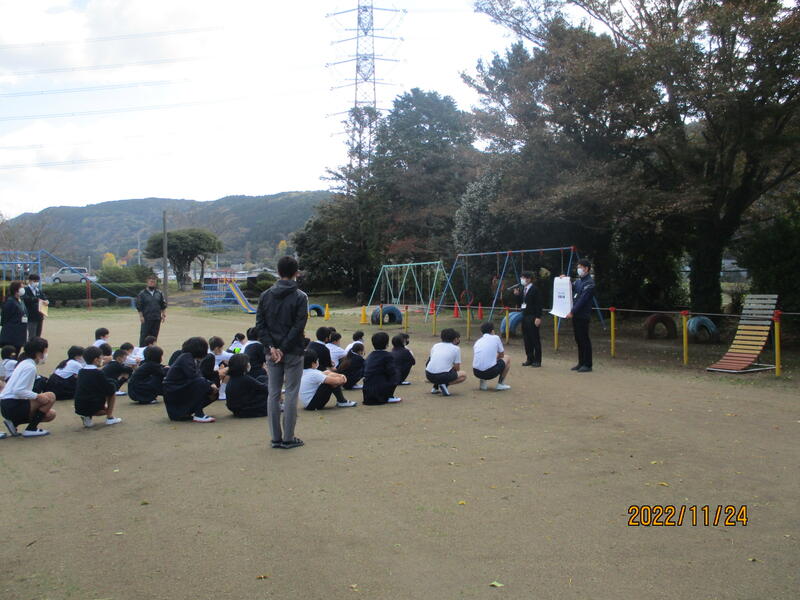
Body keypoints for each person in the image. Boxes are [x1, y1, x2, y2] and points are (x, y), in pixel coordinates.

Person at [255, 256, 308, 449]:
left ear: (278, 272)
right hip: (293, 351)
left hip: (271, 352)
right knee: (291, 393)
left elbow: (260, 325)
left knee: (273, 393)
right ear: (296, 273)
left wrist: (272, 347)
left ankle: (275, 437)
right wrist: (283, 348)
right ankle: (288, 437)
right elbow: (298, 326)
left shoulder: (265, 296)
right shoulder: (301, 297)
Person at [0, 337, 56, 437]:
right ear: (38, 353)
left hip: (7, 404)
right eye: (45, 351)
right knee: (51, 396)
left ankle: (14, 423)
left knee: (50, 414)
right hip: (12, 405)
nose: (46, 354)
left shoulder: (24, 363)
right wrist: (37, 396)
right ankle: (31, 429)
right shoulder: (29, 367)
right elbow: (18, 390)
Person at [162, 336, 218, 422]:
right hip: (174, 391)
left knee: (212, 391)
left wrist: (211, 384)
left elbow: (198, 375)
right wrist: (210, 385)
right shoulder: (185, 357)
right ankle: (198, 414)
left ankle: (187, 412)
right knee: (202, 384)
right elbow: (194, 376)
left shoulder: (190, 358)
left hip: (178, 390)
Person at [74, 346, 122, 428]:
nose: (102, 360)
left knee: (89, 394)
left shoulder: (81, 371)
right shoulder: (98, 373)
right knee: (112, 393)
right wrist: (114, 382)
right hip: (93, 407)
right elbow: (109, 389)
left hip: (79, 406)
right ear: (96, 360)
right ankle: (110, 417)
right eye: (101, 358)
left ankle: (87, 418)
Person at [307, 326, 353, 407]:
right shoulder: (324, 349)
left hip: (308, 370)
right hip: (319, 371)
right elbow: (330, 366)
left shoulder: (311, 344)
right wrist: (339, 372)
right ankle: (341, 400)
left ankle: (341, 400)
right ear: (326, 338)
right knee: (333, 378)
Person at [564, 259, 596, 373]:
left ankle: (588, 364)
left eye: (580, 267)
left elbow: (582, 300)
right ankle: (581, 362)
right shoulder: (578, 282)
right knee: (578, 338)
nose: (578, 269)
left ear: (586, 268)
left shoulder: (589, 283)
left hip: (583, 315)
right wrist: (564, 280)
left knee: (584, 339)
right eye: (578, 267)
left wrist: (572, 311)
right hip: (576, 315)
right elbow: (570, 287)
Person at [224, 353, 269, 418]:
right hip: (245, 409)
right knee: (269, 390)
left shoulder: (233, 377)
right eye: (248, 362)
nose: (249, 364)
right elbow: (266, 389)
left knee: (262, 378)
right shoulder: (244, 378)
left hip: (236, 408)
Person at [425, 328, 467, 397]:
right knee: (463, 375)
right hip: (442, 375)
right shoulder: (456, 348)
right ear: (454, 338)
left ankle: (435, 387)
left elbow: (430, 360)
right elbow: (457, 368)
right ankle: (444, 384)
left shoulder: (435, 345)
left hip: (429, 374)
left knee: (442, 369)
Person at [363, 332, 402, 405]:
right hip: (379, 390)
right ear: (387, 344)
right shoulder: (388, 356)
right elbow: (391, 372)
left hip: (367, 391)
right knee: (396, 373)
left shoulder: (370, 355)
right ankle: (389, 396)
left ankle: (385, 395)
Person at [513, 270, 543, 367]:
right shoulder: (523, 289)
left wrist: (538, 317)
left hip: (533, 316)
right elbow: (520, 304)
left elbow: (539, 304)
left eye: (523, 278)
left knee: (534, 338)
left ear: (529, 279)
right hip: (524, 316)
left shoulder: (535, 290)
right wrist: (517, 295)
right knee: (526, 339)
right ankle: (529, 358)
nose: (522, 279)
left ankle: (537, 360)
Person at [472, 322, 512, 391]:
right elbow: (502, 355)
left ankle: (483, 383)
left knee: (484, 359)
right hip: (490, 373)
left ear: (481, 332)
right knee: (507, 358)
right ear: (492, 331)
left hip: (476, 372)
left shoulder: (478, 341)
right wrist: (496, 359)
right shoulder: (496, 338)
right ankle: (500, 384)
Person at [135, 275, 167, 346]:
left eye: (154, 282)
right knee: (144, 335)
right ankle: (143, 349)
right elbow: (139, 306)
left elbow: (163, 305)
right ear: (147, 282)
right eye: (151, 282)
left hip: (156, 318)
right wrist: (141, 316)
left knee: (154, 335)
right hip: (146, 318)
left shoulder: (159, 293)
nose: (152, 283)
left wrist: (163, 314)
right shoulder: (142, 294)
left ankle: (153, 349)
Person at [0, 281, 29, 354]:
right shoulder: (10, 302)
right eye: (21, 287)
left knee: (16, 354)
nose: (23, 289)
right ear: (16, 290)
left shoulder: (20, 300)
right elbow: (4, 318)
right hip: (11, 334)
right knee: (10, 355)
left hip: (20, 333)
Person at [22, 273, 48, 340]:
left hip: (39, 316)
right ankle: (30, 346)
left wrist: (46, 301)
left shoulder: (38, 290)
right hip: (31, 317)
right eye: (34, 281)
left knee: (38, 336)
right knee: (32, 336)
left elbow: (44, 297)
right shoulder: (25, 290)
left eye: (37, 281)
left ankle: (37, 345)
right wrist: (37, 299)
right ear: (30, 281)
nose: (36, 283)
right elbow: (26, 299)